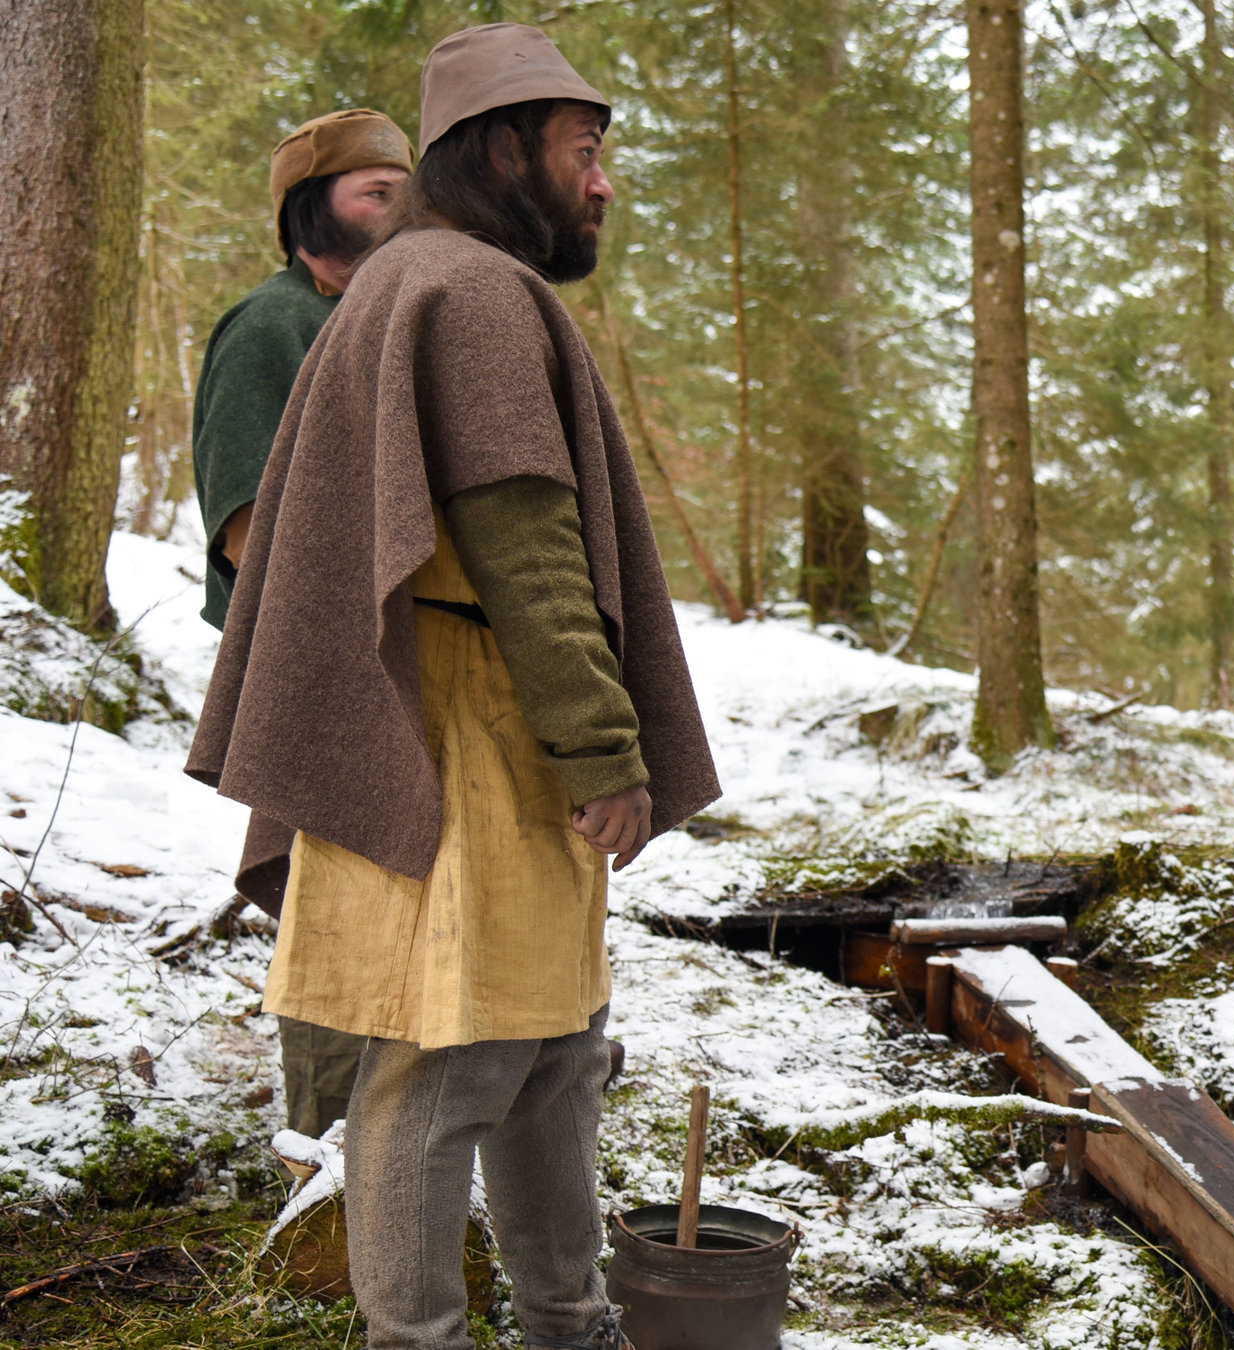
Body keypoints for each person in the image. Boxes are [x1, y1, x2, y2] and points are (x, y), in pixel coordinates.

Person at [187, 23, 719, 1350]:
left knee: (549, 1052)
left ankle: (567, 1317)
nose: (602, 183)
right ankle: (415, 1337)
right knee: (450, 1064)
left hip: (471, 727)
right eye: (583, 152)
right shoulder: (466, 291)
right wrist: (605, 747)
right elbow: (525, 546)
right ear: (497, 150)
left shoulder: (422, 276)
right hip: (464, 736)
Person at [189, 108, 414, 1136]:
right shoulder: (271, 326)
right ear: (305, 209)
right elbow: (244, 523)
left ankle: (406, 1142)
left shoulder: (393, 317)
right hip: (320, 668)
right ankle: (327, 1163)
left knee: (404, 899)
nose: (397, 205)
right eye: (374, 190)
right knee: (333, 905)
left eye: (404, 188)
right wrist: (342, 633)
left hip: (409, 664)